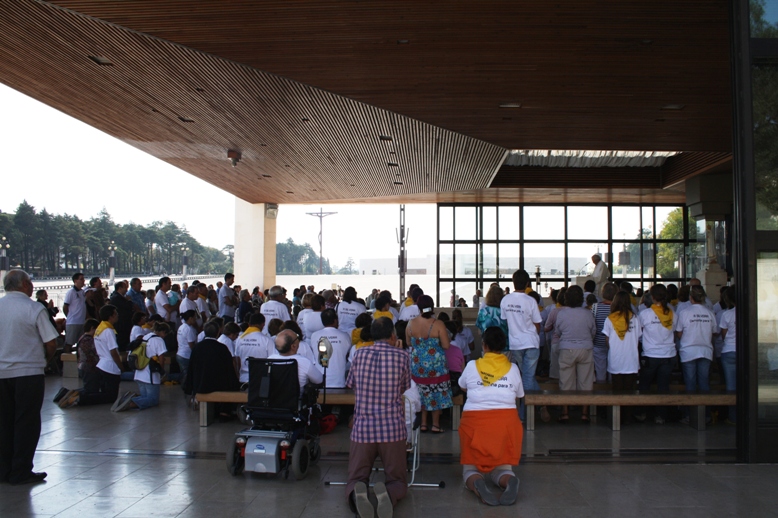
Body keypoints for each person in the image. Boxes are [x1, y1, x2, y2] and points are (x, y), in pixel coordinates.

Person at [346, 317, 410, 518]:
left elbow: (351, 384)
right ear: (392, 335)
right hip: (392, 429)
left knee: (356, 477)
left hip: (363, 428)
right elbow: (404, 387)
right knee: (397, 479)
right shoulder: (402, 356)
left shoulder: (359, 354)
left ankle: (357, 494)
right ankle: (389, 495)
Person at [0, 269, 59, 485]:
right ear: (24, 284)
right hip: (28, 373)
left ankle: (3, 469)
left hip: (1, 373)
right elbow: (51, 342)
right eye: (31, 282)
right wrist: (45, 360)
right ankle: (21, 470)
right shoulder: (33, 308)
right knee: (26, 422)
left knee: (4, 421)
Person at [458, 326, 522, 506]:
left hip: (475, 424)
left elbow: (462, 386)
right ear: (503, 346)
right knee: (502, 468)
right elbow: (518, 395)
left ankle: (476, 482)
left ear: (484, 345)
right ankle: (509, 480)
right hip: (506, 425)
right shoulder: (513, 368)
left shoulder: (472, 366)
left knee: (470, 469)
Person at [62, 305, 125, 408]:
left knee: (104, 393)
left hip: (101, 365)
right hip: (110, 367)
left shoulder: (99, 329)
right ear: (111, 316)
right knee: (111, 397)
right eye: (116, 313)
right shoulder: (109, 331)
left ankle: (78, 396)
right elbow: (113, 351)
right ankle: (80, 398)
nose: (118, 315)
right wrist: (120, 366)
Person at [500, 270, 542, 421]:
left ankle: (529, 410)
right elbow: (538, 324)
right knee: (528, 377)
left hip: (515, 344)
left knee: (526, 376)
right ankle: (527, 413)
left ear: (513, 282)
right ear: (527, 283)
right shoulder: (531, 301)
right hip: (530, 342)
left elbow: (505, 320)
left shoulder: (505, 300)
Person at [406, 295, 452, 433]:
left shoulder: (410, 323)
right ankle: (436, 425)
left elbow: (408, 343)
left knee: (421, 392)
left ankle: (424, 423)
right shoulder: (438, 324)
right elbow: (446, 345)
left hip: (418, 365)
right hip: (436, 366)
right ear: (432, 307)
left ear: (418, 307)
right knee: (436, 391)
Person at [675, 285, 718, 424]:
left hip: (688, 351)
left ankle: (690, 415)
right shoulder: (709, 313)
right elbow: (715, 332)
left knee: (690, 384)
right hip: (705, 350)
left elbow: (679, 332)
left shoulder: (685, 313)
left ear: (690, 297)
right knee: (704, 383)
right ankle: (705, 415)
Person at [635, 284, 677, 424]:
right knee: (663, 386)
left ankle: (641, 413)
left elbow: (639, 333)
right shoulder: (672, 313)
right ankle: (661, 416)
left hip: (650, 355)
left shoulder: (645, 314)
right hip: (668, 354)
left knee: (644, 385)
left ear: (652, 297)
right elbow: (675, 331)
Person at [555, 285, 596, 422]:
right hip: (585, 348)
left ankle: (565, 412)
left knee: (566, 381)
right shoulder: (588, 313)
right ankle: (584, 413)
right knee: (586, 381)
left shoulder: (562, 314)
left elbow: (558, 331)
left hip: (567, 349)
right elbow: (593, 331)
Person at [114, 322, 170, 412]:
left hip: (139, 374)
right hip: (150, 376)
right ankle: (131, 403)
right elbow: (161, 358)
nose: (164, 336)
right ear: (163, 331)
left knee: (145, 397)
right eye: (165, 334)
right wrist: (162, 372)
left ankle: (125, 400)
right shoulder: (159, 340)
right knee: (153, 400)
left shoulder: (145, 337)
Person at [184, 321, 240, 398]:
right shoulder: (222, 348)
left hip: (201, 385)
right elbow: (229, 368)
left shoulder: (197, 347)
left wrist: (190, 387)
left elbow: (191, 367)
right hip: (218, 386)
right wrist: (235, 385)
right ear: (218, 332)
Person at [602, 291, 641, 391]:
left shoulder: (609, 319)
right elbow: (638, 337)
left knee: (617, 389)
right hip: (631, 359)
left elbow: (607, 340)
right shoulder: (635, 318)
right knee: (630, 390)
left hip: (616, 358)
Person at [311, 309, 353, 388]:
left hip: (320, 381)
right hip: (339, 381)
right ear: (335, 320)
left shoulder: (314, 336)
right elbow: (348, 354)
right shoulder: (345, 336)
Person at [235, 313, 275, 383]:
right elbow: (272, 360)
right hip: (261, 379)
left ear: (249, 324)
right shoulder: (267, 340)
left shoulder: (239, 339)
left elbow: (237, 359)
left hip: (243, 378)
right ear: (263, 324)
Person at [592, 283, 617, 383]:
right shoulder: (618, 308)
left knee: (600, 369)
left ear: (602, 293)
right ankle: (611, 387)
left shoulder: (595, 307)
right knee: (613, 368)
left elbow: (592, 325)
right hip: (615, 343)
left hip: (598, 342)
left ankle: (601, 387)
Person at [719, 286, 737, 424]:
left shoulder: (727, 314)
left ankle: (733, 417)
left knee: (731, 386)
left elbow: (724, 335)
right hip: (745, 352)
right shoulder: (750, 312)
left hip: (729, 350)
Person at [63, 272, 87, 353]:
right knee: (69, 342)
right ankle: (66, 358)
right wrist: (69, 316)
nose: (83, 281)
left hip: (82, 321)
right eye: (81, 279)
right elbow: (65, 306)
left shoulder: (82, 292)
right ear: (75, 281)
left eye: (83, 279)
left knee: (81, 343)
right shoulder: (71, 292)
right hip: (73, 322)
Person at [109, 280, 135, 351]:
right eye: (125, 287)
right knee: (122, 342)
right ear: (120, 288)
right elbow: (127, 307)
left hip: (125, 323)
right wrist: (129, 301)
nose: (127, 289)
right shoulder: (116, 298)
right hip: (121, 323)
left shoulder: (121, 297)